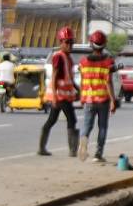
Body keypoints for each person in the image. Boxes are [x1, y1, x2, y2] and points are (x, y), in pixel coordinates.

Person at [38, 27, 80, 157]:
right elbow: (55, 76)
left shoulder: (68, 58)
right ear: (61, 43)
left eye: (71, 42)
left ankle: (42, 148)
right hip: (60, 96)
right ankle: (73, 150)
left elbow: (69, 78)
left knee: (52, 120)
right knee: (72, 119)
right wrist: (55, 97)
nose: (69, 45)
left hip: (65, 96)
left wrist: (78, 89)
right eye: (66, 42)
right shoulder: (58, 57)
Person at [76, 31, 116, 164]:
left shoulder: (83, 62)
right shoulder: (108, 62)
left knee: (87, 125)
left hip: (88, 100)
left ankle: (83, 140)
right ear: (104, 45)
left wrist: (82, 97)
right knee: (102, 127)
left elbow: (82, 81)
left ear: (91, 44)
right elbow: (108, 82)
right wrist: (113, 100)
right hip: (103, 100)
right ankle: (98, 154)